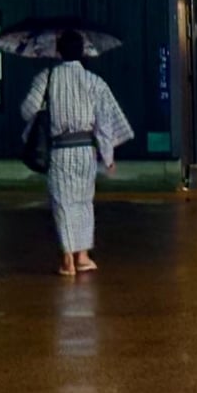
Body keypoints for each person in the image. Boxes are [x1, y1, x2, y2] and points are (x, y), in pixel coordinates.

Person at [20, 29, 134, 276]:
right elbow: (104, 123)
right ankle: (82, 256)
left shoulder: (47, 77)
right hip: (85, 151)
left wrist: (45, 103)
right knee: (83, 202)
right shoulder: (94, 81)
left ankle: (67, 260)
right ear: (83, 52)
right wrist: (108, 157)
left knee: (62, 202)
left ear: (58, 51)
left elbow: (27, 110)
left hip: (59, 150)